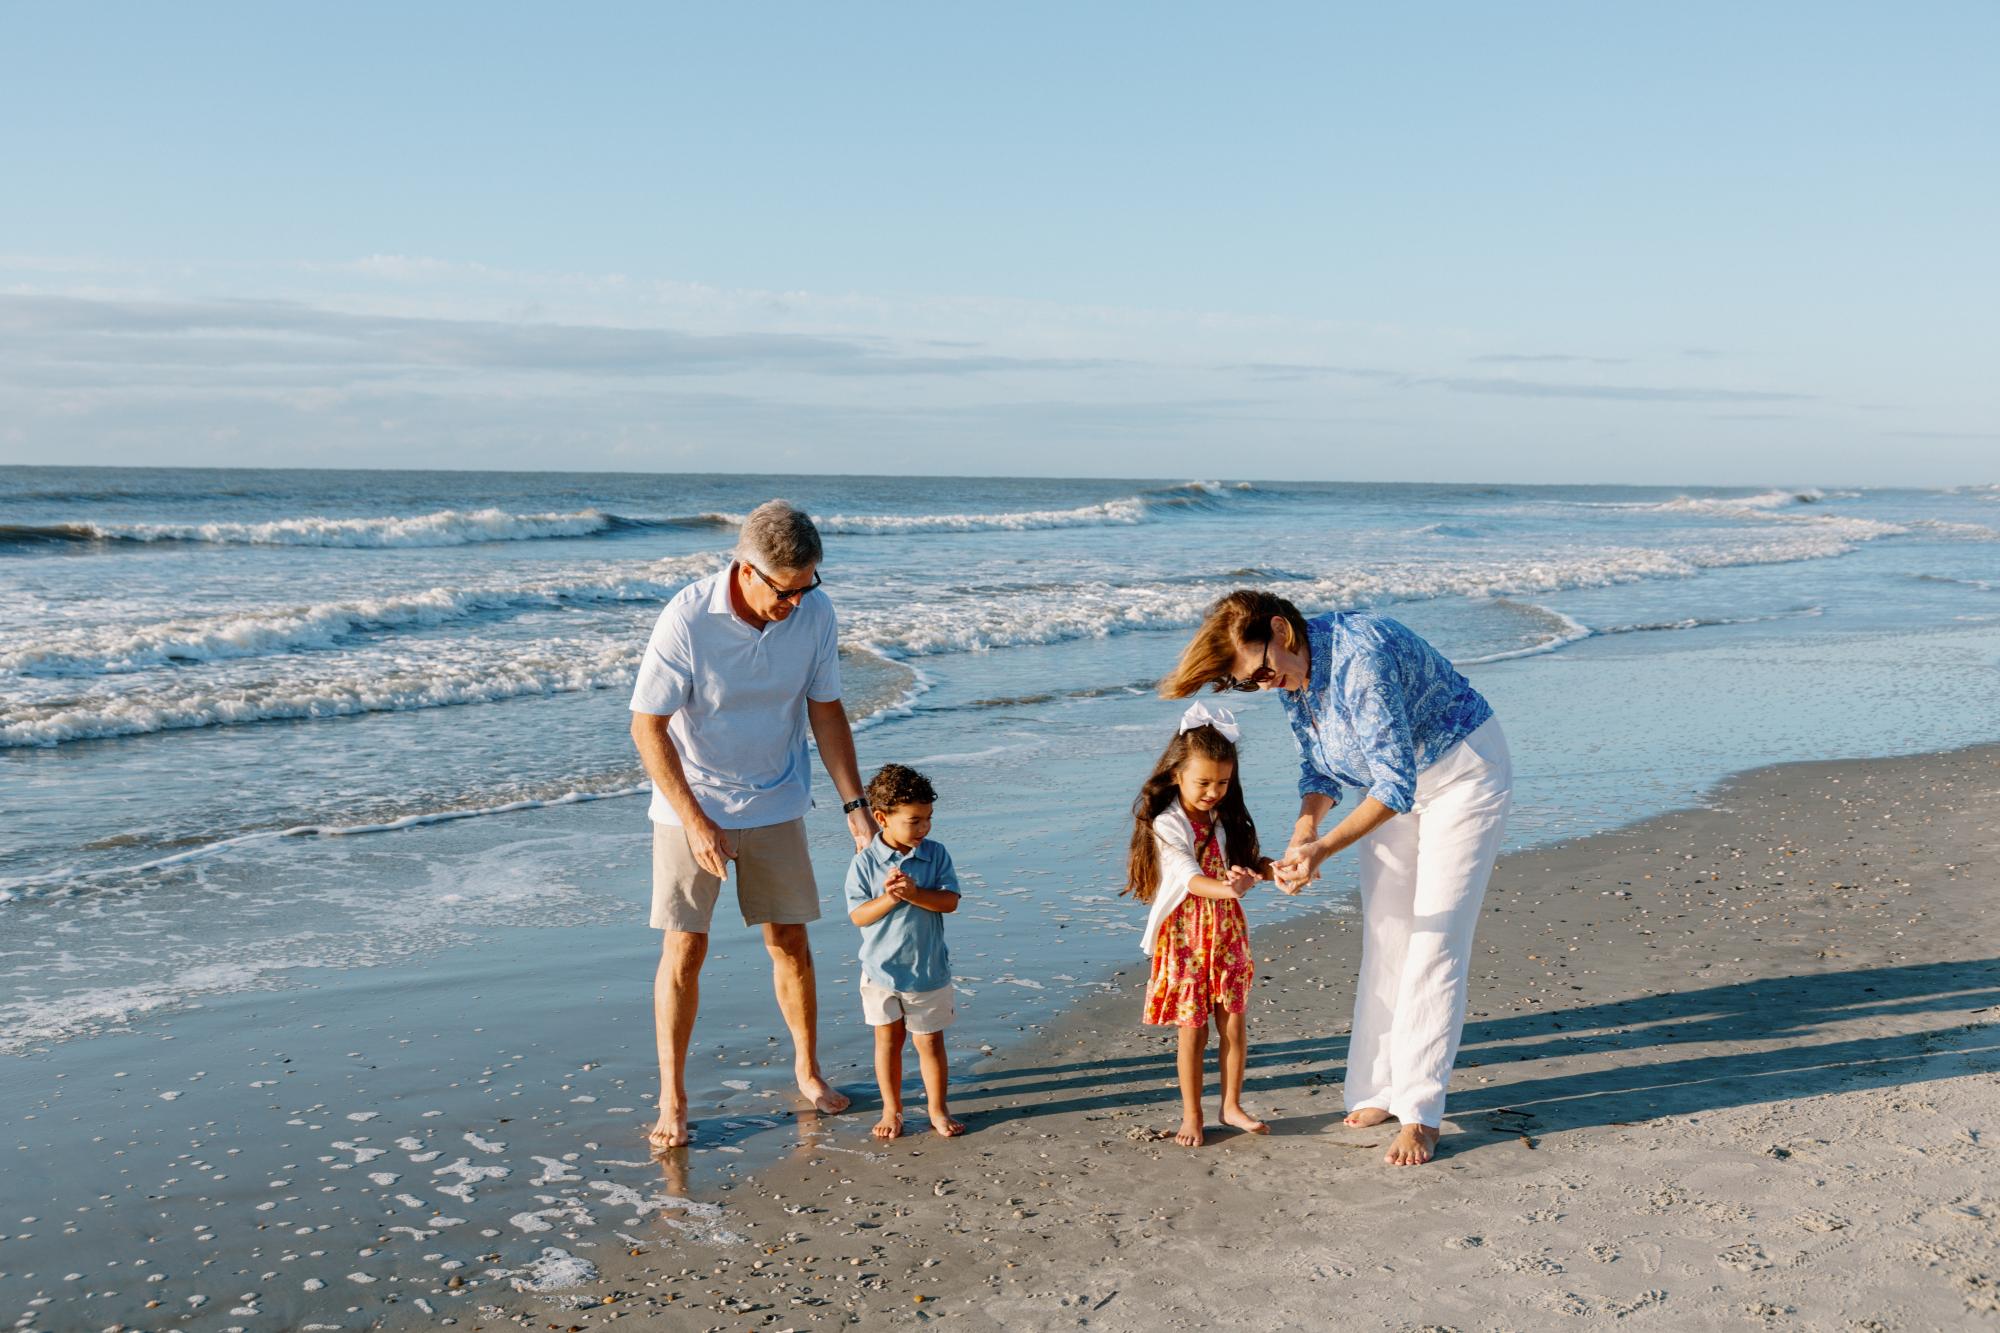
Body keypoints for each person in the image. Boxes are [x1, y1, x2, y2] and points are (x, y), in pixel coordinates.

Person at [1161, 590, 1513, 1167]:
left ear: (1282, 630)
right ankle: (1378, 1089)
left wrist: (1323, 849)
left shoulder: (1362, 657)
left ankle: (1421, 1111)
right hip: (1394, 790)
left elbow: (1393, 784)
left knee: (1435, 941)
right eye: (1249, 683)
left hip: (1462, 774)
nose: (1263, 684)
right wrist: (1304, 833)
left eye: (1262, 671)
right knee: (1389, 932)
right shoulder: (1294, 675)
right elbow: (1321, 767)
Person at [629, 500, 875, 1150]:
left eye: (807, 588)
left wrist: (856, 808)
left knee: (790, 939)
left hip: (775, 798)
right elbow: (646, 726)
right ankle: (672, 1097)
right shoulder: (687, 617)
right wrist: (695, 819)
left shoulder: (814, 612)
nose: (796, 604)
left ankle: (809, 1070)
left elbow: (827, 713)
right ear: (745, 569)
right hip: (692, 801)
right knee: (685, 948)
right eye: (785, 591)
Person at [1124, 701, 1282, 1148]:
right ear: (1177, 775)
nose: (1214, 791)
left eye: (1223, 782)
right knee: (1192, 1028)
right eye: (1204, 782)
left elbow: (1247, 865)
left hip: (1227, 931)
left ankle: (1230, 1105)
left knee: (1232, 1021)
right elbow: (1190, 879)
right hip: (1186, 937)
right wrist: (1233, 888)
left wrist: (1274, 870)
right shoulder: (1165, 823)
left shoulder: (1224, 816)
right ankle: (1191, 1115)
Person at [845, 763, 966, 1141]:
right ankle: (891, 1108)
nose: (924, 828)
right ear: (882, 818)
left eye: (928, 819)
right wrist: (890, 897)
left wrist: (915, 894)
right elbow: (858, 915)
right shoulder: (865, 863)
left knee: (929, 1041)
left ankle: (936, 1108)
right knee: (887, 1042)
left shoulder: (936, 855)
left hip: (927, 969)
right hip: (880, 972)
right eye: (914, 821)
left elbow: (949, 902)